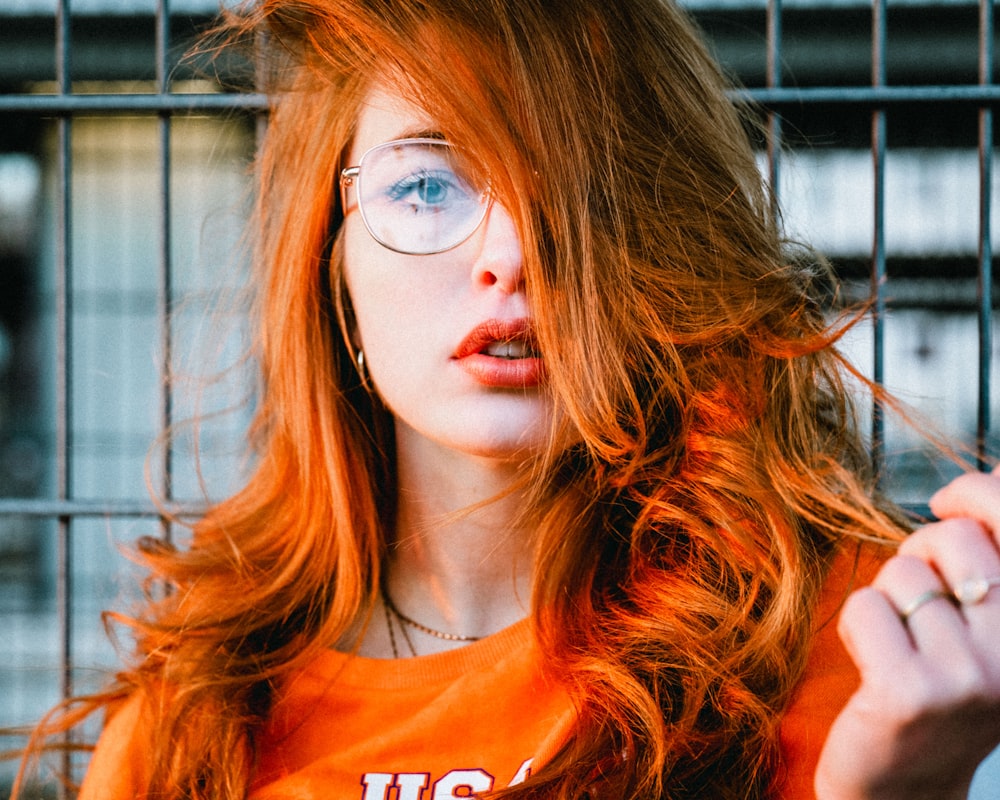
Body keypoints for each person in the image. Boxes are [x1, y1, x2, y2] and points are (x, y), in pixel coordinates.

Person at [13, 0, 1000, 798]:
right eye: (427, 186)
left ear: (668, 243)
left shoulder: (848, 640)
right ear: (330, 260)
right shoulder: (201, 718)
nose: (512, 257)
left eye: (577, 192)